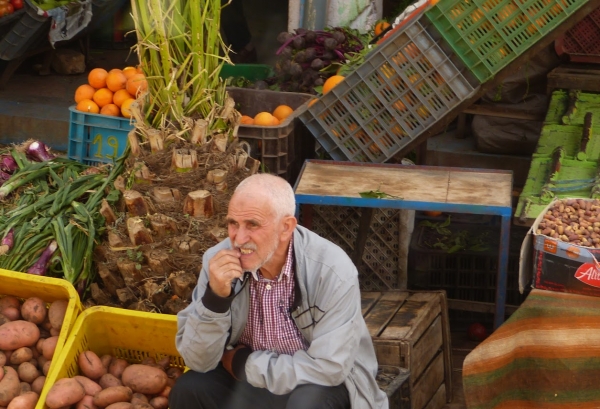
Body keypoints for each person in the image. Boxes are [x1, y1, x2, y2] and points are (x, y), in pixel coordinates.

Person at [170, 173, 388, 409]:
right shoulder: (217, 263)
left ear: (286, 227)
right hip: (250, 386)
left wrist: (245, 364)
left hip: (314, 385)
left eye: (252, 224)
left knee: (307, 405)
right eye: (233, 223)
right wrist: (216, 299)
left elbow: (329, 368)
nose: (239, 238)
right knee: (189, 388)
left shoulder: (332, 270)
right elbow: (198, 361)